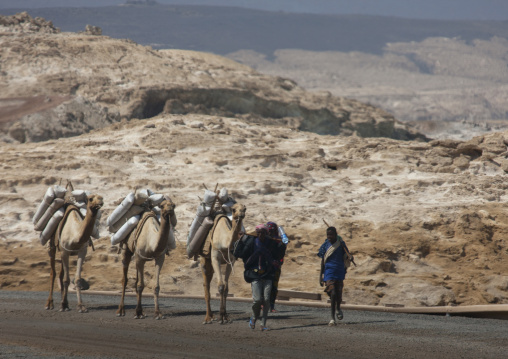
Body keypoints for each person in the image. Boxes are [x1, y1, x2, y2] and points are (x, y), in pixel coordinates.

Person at [234, 223, 286, 331]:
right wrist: (241, 239)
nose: (261, 234)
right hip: (255, 275)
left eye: (263, 232)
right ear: (256, 233)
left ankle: (263, 324)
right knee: (257, 300)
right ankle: (253, 317)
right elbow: (238, 253)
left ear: (266, 233)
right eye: (259, 233)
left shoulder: (271, 243)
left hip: (268, 274)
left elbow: (279, 254)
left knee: (266, 300)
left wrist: (283, 243)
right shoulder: (251, 242)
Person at [317, 226, 353, 326]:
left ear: (335, 235)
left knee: (338, 294)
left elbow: (346, 255)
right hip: (329, 271)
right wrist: (320, 276)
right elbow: (322, 261)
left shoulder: (341, 244)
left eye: (331, 235)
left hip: (339, 271)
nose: (329, 237)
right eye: (328, 235)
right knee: (332, 293)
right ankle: (332, 318)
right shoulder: (325, 245)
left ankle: (338, 308)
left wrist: (350, 257)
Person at [266, 221, 286, 312]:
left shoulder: (279, 240)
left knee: (274, 287)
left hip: (275, 267)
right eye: (269, 231)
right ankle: (263, 304)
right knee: (264, 286)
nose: (270, 232)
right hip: (265, 266)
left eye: (272, 231)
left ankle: (272, 306)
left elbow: (281, 254)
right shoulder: (263, 240)